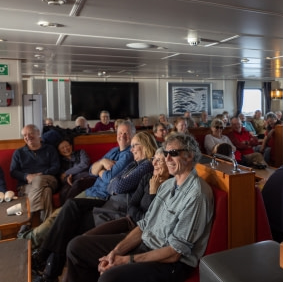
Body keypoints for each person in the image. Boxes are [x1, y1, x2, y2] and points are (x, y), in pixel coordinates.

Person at [65, 132, 214, 282]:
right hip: (146, 243)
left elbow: (175, 252)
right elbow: (144, 225)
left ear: (190, 156)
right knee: (76, 247)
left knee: (110, 278)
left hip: (170, 263)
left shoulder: (197, 195)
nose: (167, 158)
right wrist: (115, 252)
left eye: (173, 153)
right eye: (166, 153)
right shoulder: (168, 185)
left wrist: (125, 260)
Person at [31, 131, 157, 282]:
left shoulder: (146, 165)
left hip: (117, 210)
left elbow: (118, 186)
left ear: (145, 145)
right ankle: (45, 263)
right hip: (108, 203)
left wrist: (111, 181)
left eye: (134, 145)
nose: (131, 150)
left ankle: (47, 269)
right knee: (71, 206)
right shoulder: (133, 164)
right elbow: (109, 181)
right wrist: (111, 180)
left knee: (69, 226)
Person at [18, 121, 136, 252]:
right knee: (57, 213)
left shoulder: (129, 154)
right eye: (120, 133)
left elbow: (109, 178)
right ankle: (32, 240)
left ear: (133, 135)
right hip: (92, 190)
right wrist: (103, 162)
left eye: (126, 133)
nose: (122, 136)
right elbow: (92, 169)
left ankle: (28, 240)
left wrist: (100, 170)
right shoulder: (114, 150)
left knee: (60, 215)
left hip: (102, 197)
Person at [85, 148, 170, 236]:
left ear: (169, 164)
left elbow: (150, 219)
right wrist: (137, 215)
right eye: (153, 159)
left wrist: (152, 194)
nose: (154, 163)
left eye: (159, 160)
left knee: (80, 241)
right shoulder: (147, 177)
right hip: (129, 220)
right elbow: (131, 205)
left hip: (139, 229)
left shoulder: (170, 185)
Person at [10, 124, 60, 221]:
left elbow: (56, 167)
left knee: (38, 180)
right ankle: (45, 229)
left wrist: (41, 174)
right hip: (26, 185)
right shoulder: (19, 152)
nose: (27, 137)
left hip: (48, 179)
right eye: (25, 135)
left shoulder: (50, 149)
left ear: (38, 133)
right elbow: (13, 172)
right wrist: (26, 176)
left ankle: (27, 219)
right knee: (46, 192)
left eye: (31, 133)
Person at [56, 138, 95, 205]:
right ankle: (65, 209)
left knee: (77, 184)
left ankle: (66, 208)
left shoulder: (81, 152)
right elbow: (62, 177)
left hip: (87, 177)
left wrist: (67, 173)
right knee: (64, 192)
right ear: (59, 151)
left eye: (67, 146)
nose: (65, 149)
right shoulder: (60, 162)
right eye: (62, 148)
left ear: (71, 146)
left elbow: (84, 164)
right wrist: (67, 178)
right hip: (70, 181)